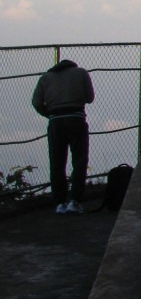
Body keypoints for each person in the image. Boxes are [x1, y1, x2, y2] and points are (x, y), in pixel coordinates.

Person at [31, 58, 95, 215]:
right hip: (76, 118)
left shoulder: (45, 77)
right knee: (79, 160)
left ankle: (59, 202)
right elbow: (90, 98)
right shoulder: (81, 73)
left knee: (57, 162)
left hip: (55, 121)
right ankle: (75, 201)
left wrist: (50, 114)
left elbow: (36, 102)